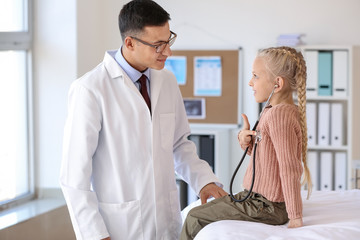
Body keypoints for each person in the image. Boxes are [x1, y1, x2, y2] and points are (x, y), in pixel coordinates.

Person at [60, 0, 227, 239]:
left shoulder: (166, 81)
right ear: (129, 43)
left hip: (166, 222)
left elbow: (178, 143)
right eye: (158, 45)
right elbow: (74, 176)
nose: (168, 52)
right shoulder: (90, 89)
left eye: (169, 40)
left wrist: (203, 180)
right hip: (119, 228)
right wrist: (95, 234)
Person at [180, 46, 312, 239]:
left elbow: (289, 167)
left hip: (267, 206)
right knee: (202, 210)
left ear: (277, 83)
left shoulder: (279, 115)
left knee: (194, 217)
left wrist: (295, 217)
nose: (250, 82)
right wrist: (248, 142)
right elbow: (269, 159)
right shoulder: (276, 110)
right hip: (259, 199)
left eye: (256, 76)